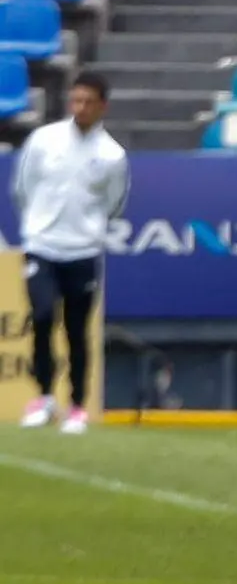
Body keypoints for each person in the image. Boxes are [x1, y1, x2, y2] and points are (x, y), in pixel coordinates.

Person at [13, 72, 128, 435]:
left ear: (102, 106)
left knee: (77, 330)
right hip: (42, 246)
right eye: (75, 100)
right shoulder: (43, 140)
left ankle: (77, 405)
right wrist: (37, 227)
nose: (80, 107)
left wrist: (87, 232)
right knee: (43, 316)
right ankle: (44, 397)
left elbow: (114, 205)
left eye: (88, 101)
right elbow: (23, 188)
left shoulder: (112, 155)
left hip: (82, 251)